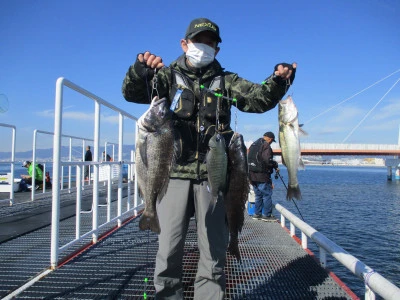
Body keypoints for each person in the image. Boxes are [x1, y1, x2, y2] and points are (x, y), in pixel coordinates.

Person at [122, 17, 296, 299]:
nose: (203, 47)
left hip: (213, 177)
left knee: (214, 252)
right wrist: (139, 70)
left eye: (209, 43)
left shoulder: (227, 82)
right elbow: (132, 93)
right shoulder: (165, 77)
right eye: (197, 41)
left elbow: (259, 99)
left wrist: (278, 81)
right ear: (184, 44)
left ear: (217, 49)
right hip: (173, 176)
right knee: (168, 249)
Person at [248, 132, 279, 221]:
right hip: (262, 175)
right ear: (269, 139)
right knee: (267, 195)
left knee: (258, 195)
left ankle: (256, 214)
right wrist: (274, 164)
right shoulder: (266, 146)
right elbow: (267, 160)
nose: (271, 143)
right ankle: (266, 215)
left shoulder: (254, 144)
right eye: (272, 141)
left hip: (252, 174)